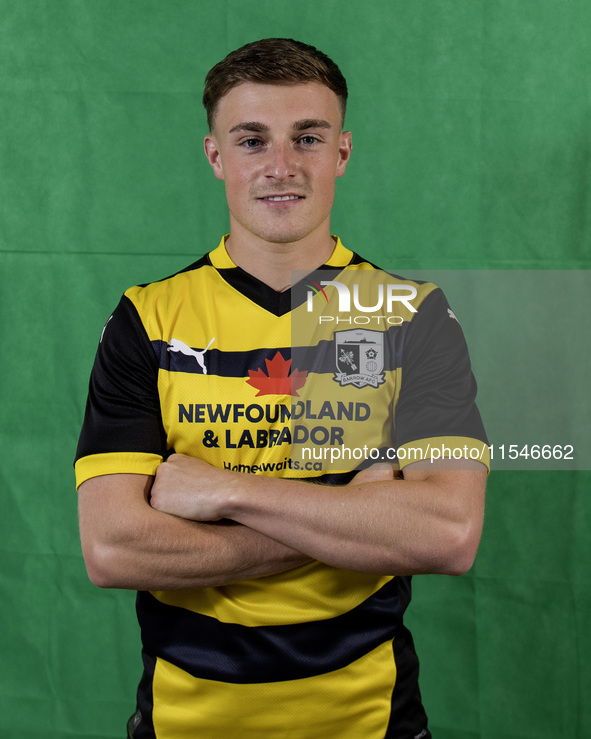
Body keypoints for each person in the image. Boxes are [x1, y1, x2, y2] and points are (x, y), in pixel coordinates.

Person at [75, 38, 489, 739]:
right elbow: (114, 549)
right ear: (215, 157)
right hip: (185, 723)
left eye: (307, 137)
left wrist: (227, 492)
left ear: (342, 153)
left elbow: (447, 533)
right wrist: (354, 515)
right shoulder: (146, 317)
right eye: (250, 139)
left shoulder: (412, 313)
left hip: (371, 720)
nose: (280, 166)